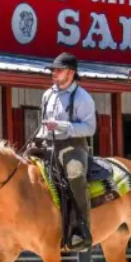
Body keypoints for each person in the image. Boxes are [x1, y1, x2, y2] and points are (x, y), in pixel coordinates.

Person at [36, 52, 97, 250]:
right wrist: (38, 138)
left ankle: (82, 230)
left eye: (59, 70)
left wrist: (61, 126)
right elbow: (44, 124)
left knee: (76, 176)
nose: (54, 73)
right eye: (53, 70)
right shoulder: (48, 94)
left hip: (73, 145)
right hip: (47, 143)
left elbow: (90, 128)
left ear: (71, 73)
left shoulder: (83, 97)